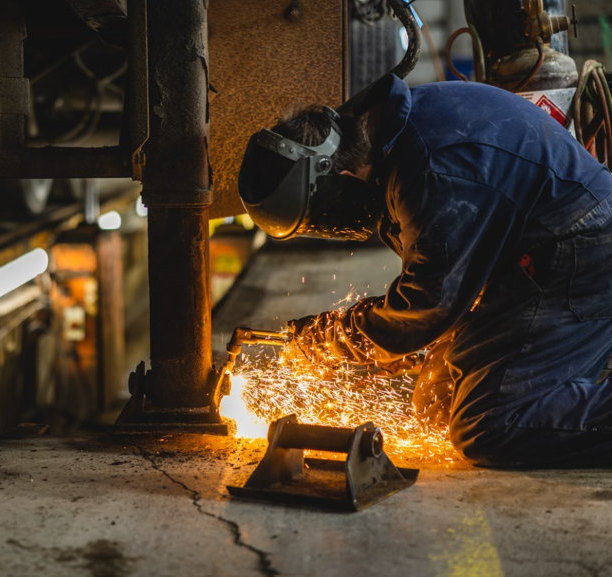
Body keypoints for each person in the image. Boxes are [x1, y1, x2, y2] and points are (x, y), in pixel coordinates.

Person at [237, 73, 612, 467]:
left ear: (338, 181)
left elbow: (427, 303)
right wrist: (386, 345)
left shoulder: (429, 171)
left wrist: (333, 341)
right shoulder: (390, 138)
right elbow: (447, 282)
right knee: (437, 401)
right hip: (536, 256)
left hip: (581, 256)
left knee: (488, 424)